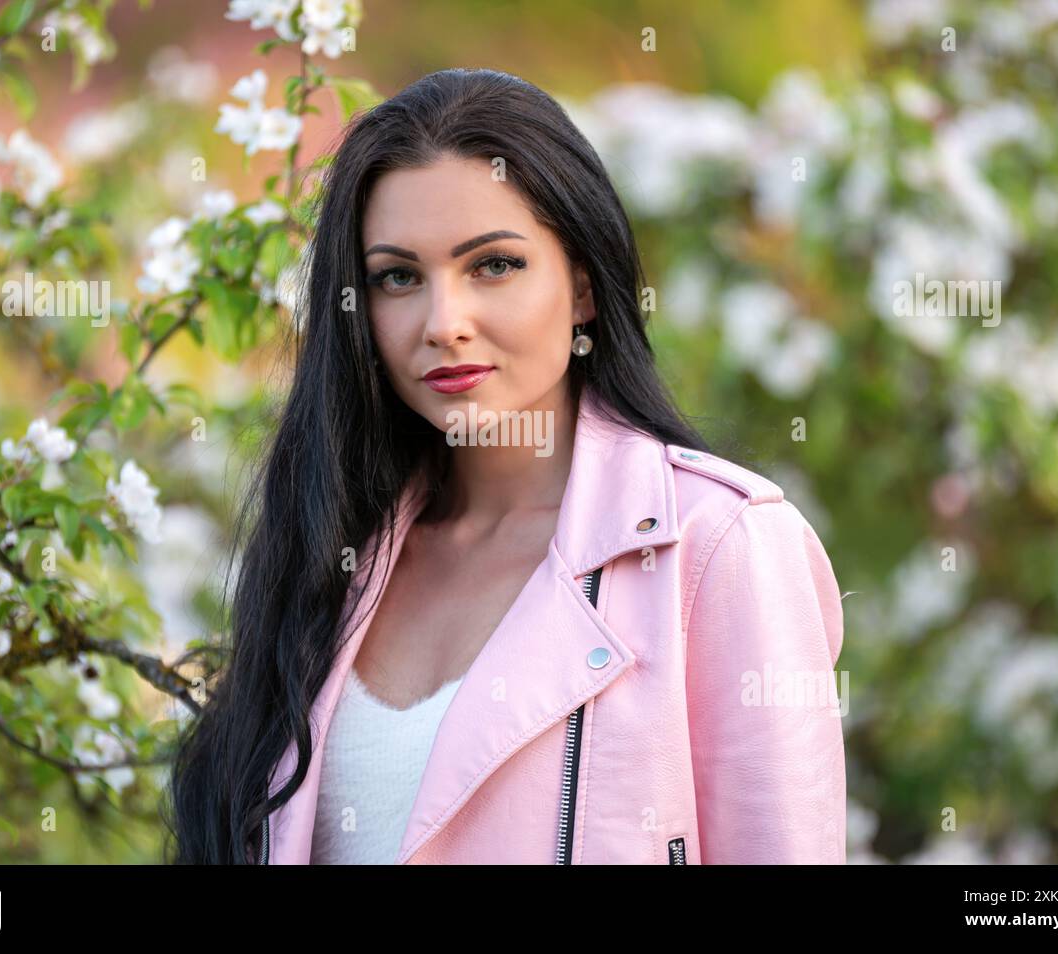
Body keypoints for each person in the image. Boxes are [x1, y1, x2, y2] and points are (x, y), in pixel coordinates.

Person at [167, 67, 847, 865]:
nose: (443, 322)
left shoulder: (719, 543)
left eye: (493, 264)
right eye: (398, 277)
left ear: (584, 285)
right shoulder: (331, 550)